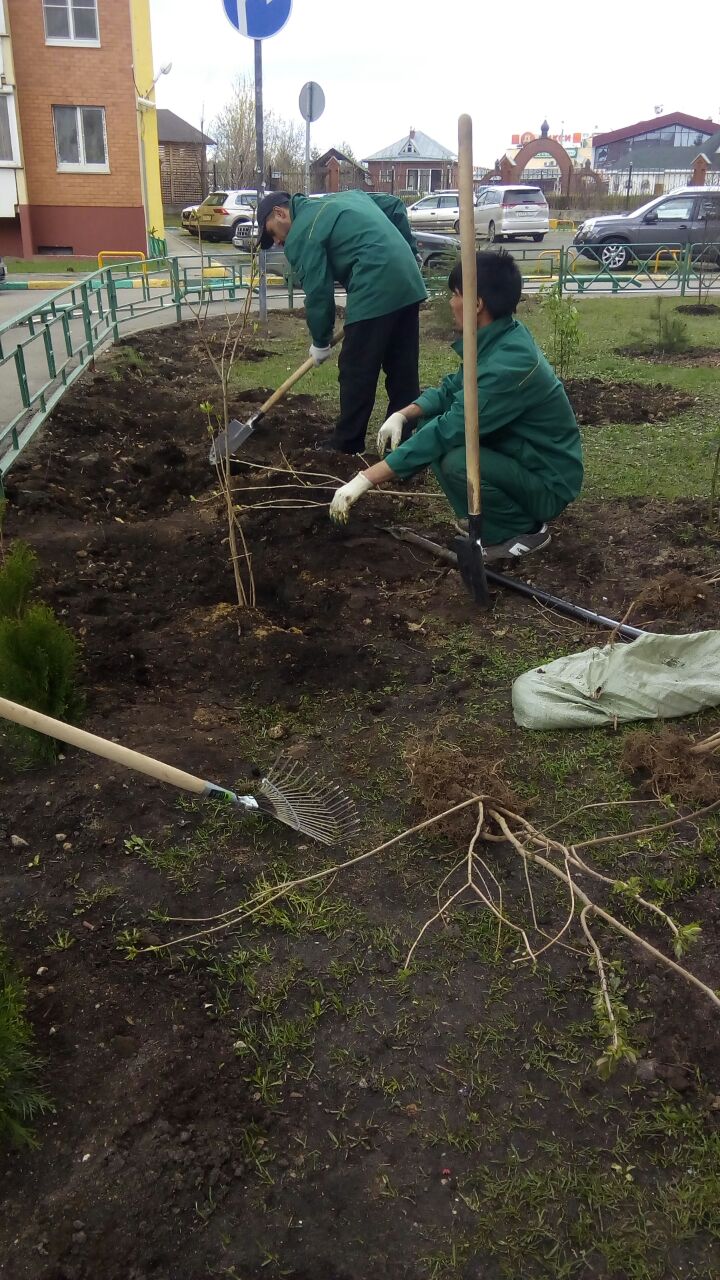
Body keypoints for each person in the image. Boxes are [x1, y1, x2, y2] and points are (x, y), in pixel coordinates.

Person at [329, 250, 583, 561]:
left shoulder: (509, 364)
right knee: (432, 432)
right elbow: (452, 389)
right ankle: (488, 520)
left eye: (456, 294)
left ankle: (524, 531)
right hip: (520, 456)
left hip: (548, 479)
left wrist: (365, 479)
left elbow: (448, 430)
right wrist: (403, 414)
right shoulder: (497, 338)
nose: (451, 303)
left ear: (477, 304)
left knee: (454, 458)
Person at [257, 189, 428, 454]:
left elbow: (318, 291)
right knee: (402, 369)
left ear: (280, 213)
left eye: (272, 233)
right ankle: (403, 444)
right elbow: (394, 205)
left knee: (356, 368)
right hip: (407, 281)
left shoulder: (303, 230)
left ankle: (347, 443)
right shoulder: (348, 197)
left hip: (374, 284)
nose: (277, 242)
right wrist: (410, 249)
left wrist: (320, 341)